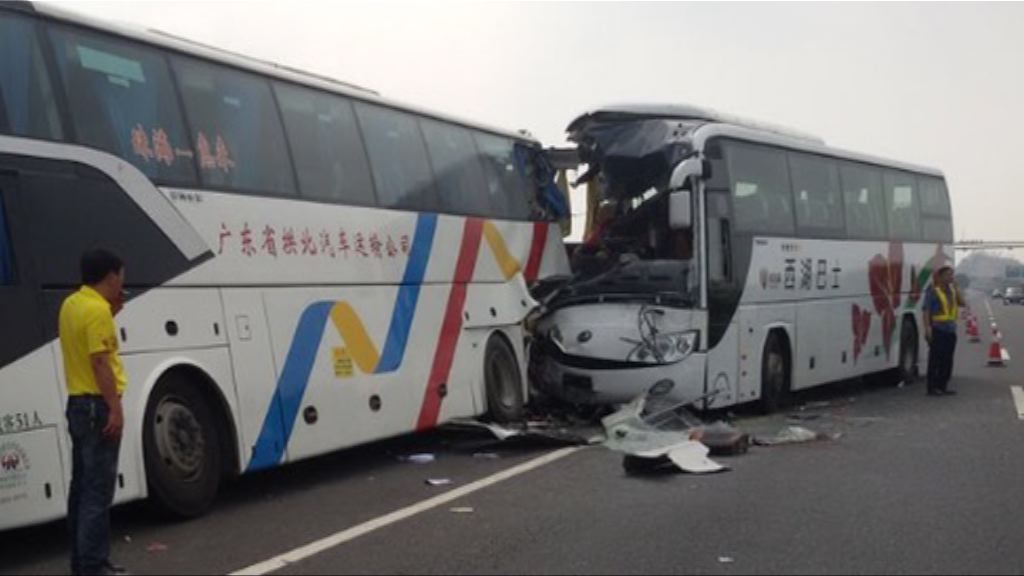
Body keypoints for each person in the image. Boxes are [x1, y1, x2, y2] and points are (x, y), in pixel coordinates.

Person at [59, 249, 128, 576]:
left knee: (81, 488)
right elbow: (100, 362)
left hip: (76, 404)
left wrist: (111, 313)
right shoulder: (97, 310)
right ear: (111, 275)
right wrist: (115, 409)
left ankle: (80, 562)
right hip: (96, 405)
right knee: (98, 493)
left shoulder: (72, 304)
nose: (122, 283)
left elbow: (85, 343)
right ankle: (94, 566)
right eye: (121, 276)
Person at [923, 263, 966, 397]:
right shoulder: (933, 290)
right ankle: (932, 387)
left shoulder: (952, 290)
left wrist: (958, 288)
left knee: (947, 360)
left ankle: (943, 386)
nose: (951, 278)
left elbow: (962, 303)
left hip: (950, 329)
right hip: (938, 328)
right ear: (940, 276)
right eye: (948, 275)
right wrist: (927, 328)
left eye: (952, 275)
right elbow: (926, 310)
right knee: (936, 359)